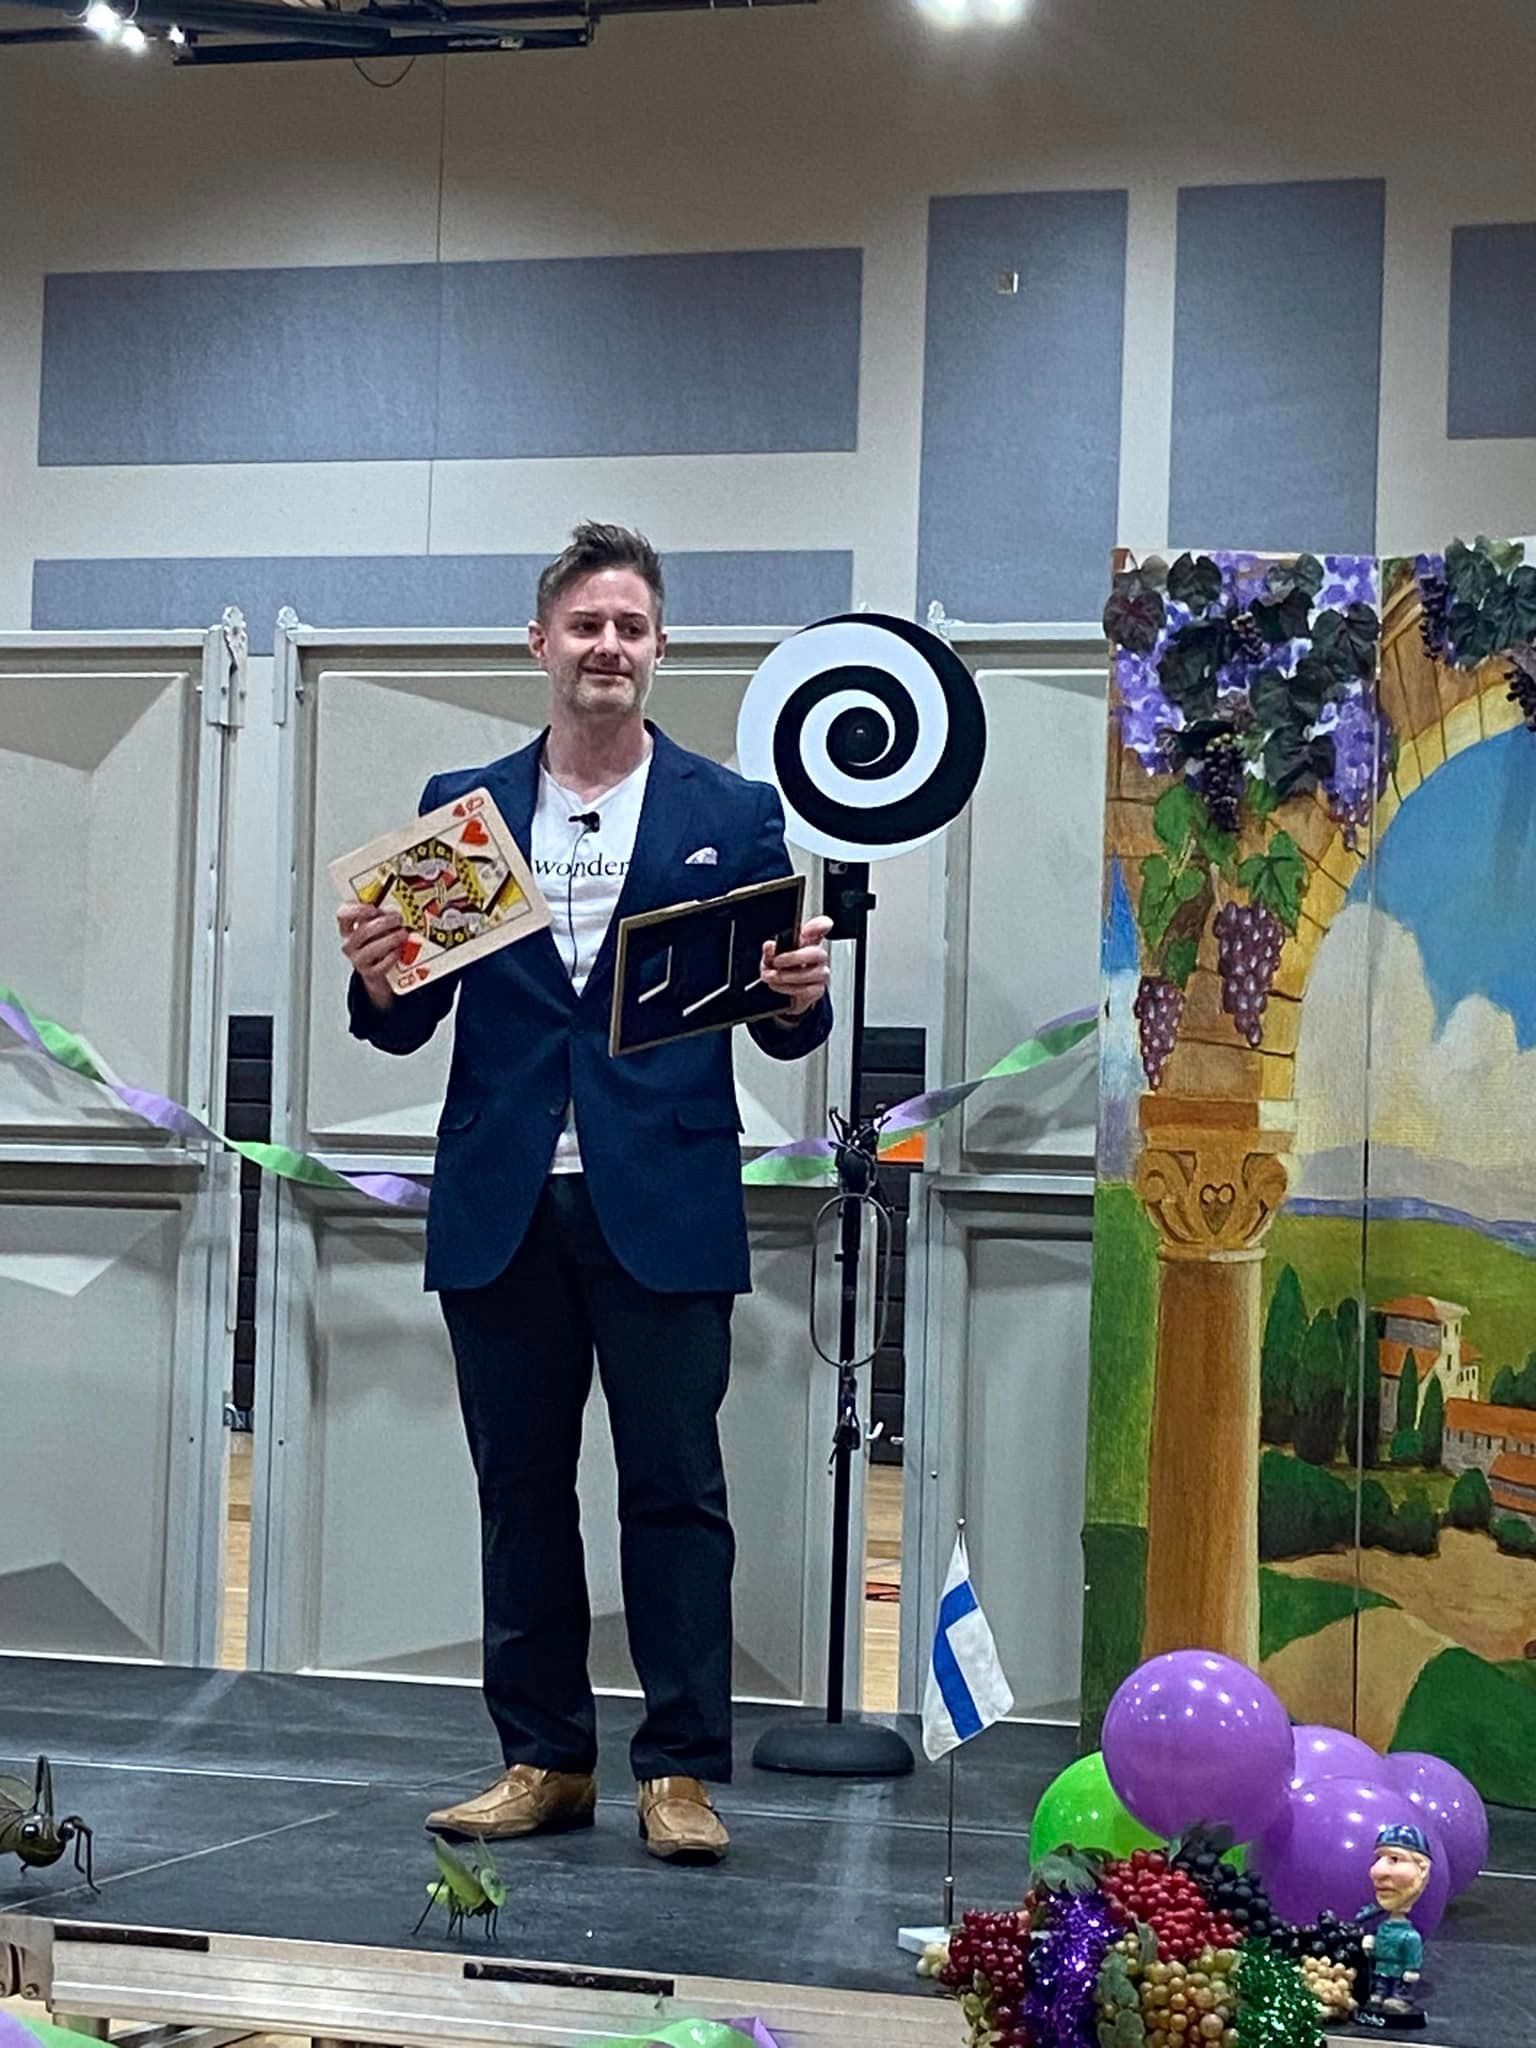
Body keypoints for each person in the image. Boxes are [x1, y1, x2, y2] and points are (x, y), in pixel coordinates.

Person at [337, 523, 832, 1865]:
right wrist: (380, 979)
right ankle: (544, 1758)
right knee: (521, 1490)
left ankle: (679, 1771)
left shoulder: (730, 816)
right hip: (503, 1200)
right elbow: (397, 1023)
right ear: (540, 643)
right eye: (586, 625)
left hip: (662, 1199)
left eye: (631, 627)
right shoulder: (468, 810)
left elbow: (776, 1025)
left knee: (677, 1490)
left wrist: (804, 1000)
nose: (607, 647)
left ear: (659, 651)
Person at [1356, 1821, 1433, 2027]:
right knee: (1380, 1985)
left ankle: (1399, 1999)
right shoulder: (1382, 1927)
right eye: (1379, 1858)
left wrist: (1412, 1969)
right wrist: (1371, 1942)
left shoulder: (1410, 1936)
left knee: (1397, 1986)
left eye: (1394, 1859)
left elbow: (1413, 1953)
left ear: (1422, 1869)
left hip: (1397, 1969)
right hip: (1382, 1966)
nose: (1377, 1871)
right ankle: (1378, 1998)